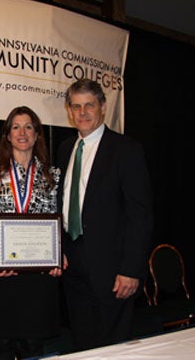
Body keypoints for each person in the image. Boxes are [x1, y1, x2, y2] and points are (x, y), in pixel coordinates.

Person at [56, 78, 153, 351]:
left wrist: (131, 270)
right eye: (76, 106)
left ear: (103, 107)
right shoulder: (65, 149)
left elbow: (140, 215)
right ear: (69, 111)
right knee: (83, 343)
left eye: (89, 105)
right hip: (72, 263)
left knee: (113, 347)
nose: (82, 112)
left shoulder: (127, 150)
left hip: (113, 270)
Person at [0, 106, 65, 360]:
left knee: (33, 345)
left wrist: (58, 254)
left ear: (37, 135)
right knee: (2, 344)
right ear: (7, 134)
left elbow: (54, 221)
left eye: (28, 127)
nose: (22, 132)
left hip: (38, 270)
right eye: (15, 127)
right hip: (1, 267)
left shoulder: (52, 174)